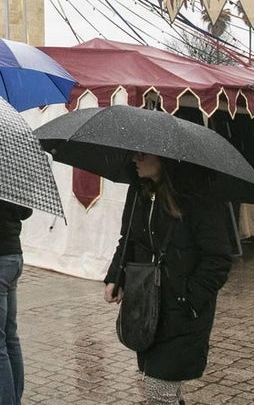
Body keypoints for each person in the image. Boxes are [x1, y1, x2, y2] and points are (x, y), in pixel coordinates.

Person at [103, 153, 232, 405]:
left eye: (142, 155)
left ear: (163, 159)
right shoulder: (139, 191)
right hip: (147, 304)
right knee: (163, 388)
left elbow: (218, 259)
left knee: (158, 391)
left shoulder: (196, 197)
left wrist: (189, 298)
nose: (134, 160)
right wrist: (115, 277)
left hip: (181, 310)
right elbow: (128, 239)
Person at [0, 199, 32, 405]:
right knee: (9, 335)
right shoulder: (14, 176)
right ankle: (14, 398)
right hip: (14, 257)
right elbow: (26, 211)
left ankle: (5, 401)